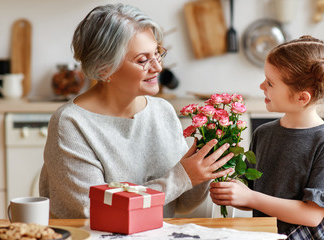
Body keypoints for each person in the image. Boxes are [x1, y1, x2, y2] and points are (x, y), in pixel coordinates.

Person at [39, 3, 234, 219]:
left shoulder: (163, 112)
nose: (158, 67)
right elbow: (92, 210)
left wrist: (204, 168)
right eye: (143, 60)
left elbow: (182, 204)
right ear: (105, 69)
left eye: (157, 53)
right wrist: (181, 178)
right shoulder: (70, 123)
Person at [209, 36, 324, 239]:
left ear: (302, 97)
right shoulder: (263, 133)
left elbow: (311, 216)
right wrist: (231, 192)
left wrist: (250, 197)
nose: (261, 87)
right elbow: (251, 195)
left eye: (270, 83)